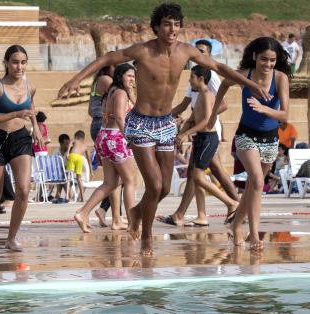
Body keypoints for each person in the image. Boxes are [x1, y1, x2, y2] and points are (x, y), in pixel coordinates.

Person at [58, 3, 270, 256]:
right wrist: (75, 80)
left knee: (166, 188)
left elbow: (220, 68)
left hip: (166, 124)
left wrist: (250, 84)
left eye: (177, 24)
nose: (173, 29)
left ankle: (136, 212)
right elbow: (108, 58)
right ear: (157, 27)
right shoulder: (144, 51)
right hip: (141, 123)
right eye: (167, 24)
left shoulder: (185, 52)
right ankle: (147, 235)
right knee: (155, 185)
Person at [209, 37, 291, 251]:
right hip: (246, 135)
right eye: (264, 59)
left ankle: (236, 224)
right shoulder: (245, 75)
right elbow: (224, 84)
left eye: (272, 60)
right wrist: (212, 115)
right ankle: (253, 234)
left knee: (254, 187)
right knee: (255, 179)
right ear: (255, 57)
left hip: (271, 138)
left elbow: (285, 115)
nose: (268, 64)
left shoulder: (280, 78)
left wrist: (264, 109)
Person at [0, 44, 43, 252]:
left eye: (22, 62)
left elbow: (30, 109)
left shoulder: (30, 86)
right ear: (6, 63)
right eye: (14, 62)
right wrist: (14, 114)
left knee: (23, 190)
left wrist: (36, 129)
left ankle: (11, 238)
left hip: (20, 138)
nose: (19, 66)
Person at [164, 39, 240, 226]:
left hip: (208, 133)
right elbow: (187, 107)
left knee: (208, 173)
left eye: (201, 51)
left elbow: (218, 106)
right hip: (200, 134)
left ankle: (234, 204)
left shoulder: (209, 77)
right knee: (195, 174)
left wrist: (196, 124)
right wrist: (166, 118)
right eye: (195, 50)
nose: (197, 54)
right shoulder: (196, 81)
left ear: (209, 54)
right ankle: (199, 214)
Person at [73, 63, 136, 233]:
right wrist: (131, 139)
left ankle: (83, 212)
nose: (132, 79)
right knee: (130, 181)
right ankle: (133, 223)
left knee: (110, 183)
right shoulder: (121, 93)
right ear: (120, 75)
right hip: (116, 138)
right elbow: (121, 118)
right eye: (129, 76)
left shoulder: (112, 92)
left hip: (105, 136)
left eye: (134, 77)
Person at [88, 64, 117, 224]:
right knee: (118, 172)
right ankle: (107, 211)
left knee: (115, 172)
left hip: (96, 124)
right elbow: (121, 96)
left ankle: (108, 212)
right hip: (104, 125)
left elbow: (90, 110)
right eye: (116, 66)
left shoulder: (96, 81)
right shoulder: (106, 80)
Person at [66, 130, 93, 202]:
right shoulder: (85, 145)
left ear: (76, 136)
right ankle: (82, 198)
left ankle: (67, 197)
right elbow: (89, 159)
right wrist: (91, 171)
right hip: (80, 158)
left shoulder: (74, 140)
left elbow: (70, 144)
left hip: (73, 156)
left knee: (69, 176)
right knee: (79, 178)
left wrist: (68, 153)